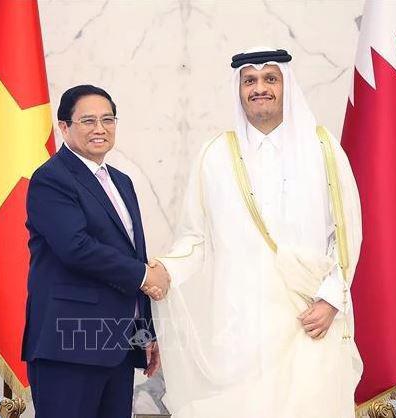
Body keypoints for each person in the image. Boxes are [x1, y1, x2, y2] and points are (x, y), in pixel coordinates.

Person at [151, 48, 364, 417]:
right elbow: (195, 238)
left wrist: (331, 300)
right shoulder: (214, 155)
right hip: (239, 323)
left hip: (308, 317)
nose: (259, 88)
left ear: (286, 86)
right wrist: (164, 271)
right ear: (238, 88)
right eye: (250, 80)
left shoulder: (323, 148)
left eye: (270, 79)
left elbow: (345, 233)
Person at [22, 85, 169, 418]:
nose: (100, 128)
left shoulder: (122, 181)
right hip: (69, 345)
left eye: (108, 119)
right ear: (64, 127)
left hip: (115, 346)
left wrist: (146, 332)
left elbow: (133, 255)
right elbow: (76, 248)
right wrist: (146, 276)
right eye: (88, 120)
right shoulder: (51, 179)